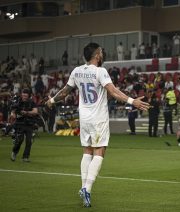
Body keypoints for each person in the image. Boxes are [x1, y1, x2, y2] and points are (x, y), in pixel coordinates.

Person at [45, 42, 149, 207]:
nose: (102, 54)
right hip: (98, 118)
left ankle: (83, 187)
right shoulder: (101, 71)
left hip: (84, 118)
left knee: (87, 151)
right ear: (96, 55)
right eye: (100, 52)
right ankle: (87, 188)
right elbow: (113, 92)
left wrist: (51, 100)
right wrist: (132, 101)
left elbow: (64, 92)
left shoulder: (77, 71)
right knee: (99, 151)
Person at [10, 88, 38, 162]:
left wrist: (26, 113)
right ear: (21, 94)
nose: (24, 95)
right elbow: (13, 111)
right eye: (23, 93)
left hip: (29, 124)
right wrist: (13, 115)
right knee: (20, 140)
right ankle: (14, 152)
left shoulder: (32, 102)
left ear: (28, 95)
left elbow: (35, 111)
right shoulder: (17, 102)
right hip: (20, 123)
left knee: (29, 141)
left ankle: (25, 157)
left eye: (26, 94)